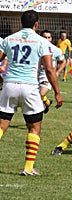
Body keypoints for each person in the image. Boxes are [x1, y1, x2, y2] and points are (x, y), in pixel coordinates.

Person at [0, 10, 63, 176]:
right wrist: (57, 92)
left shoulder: (8, 39)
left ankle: (28, 168)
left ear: (21, 23)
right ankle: (28, 168)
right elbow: (49, 69)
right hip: (30, 88)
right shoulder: (42, 42)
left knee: (1, 126)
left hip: (10, 86)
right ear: (37, 24)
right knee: (34, 128)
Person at [39, 30, 66, 113]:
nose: (47, 39)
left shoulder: (55, 50)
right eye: (44, 37)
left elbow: (63, 62)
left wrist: (57, 73)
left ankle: (35, 121)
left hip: (46, 77)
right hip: (34, 75)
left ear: (51, 39)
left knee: (40, 94)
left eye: (48, 37)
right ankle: (47, 102)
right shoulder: (35, 47)